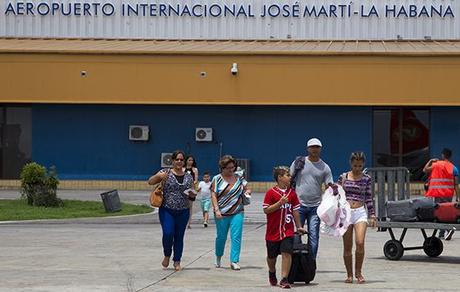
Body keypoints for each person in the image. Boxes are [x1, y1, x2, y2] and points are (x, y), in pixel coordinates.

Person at [148, 150, 195, 271]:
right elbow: (150, 181)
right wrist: (159, 177)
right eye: (177, 159)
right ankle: (167, 254)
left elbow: (191, 193)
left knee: (179, 236)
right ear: (172, 161)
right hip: (167, 209)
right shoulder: (165, 172)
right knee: (168, 233)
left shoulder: (189, 176)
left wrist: (192, 195)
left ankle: (177, 260)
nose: (179, 162)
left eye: (181, 160)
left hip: (183, 210)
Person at [289, 137, 335, 259]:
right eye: (312, 147)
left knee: (313, 236)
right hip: (298, 205)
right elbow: (289, 179)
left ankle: (311, 261)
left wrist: (333, 189)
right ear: (307, 148)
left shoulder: (325, 167)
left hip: (315, 207)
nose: (314, 149)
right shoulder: (299, 162)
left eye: (317, 147)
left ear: (320, 149)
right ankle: (294, 261)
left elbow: (329, 184)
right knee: (296, 235)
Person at [263, 166, 305, 289]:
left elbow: (296, 211)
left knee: (287, 252)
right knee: (271, 257)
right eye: (287, 175)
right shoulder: (271, 193)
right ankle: (272, 272)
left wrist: (299, 226)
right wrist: (279, 203)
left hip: (287, 230)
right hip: (273, 231)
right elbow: (266, 210)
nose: (290, 177)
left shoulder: (292, 194)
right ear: (280, 178)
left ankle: (284, 278)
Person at [337, 152, 376, 284]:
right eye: (355, 165)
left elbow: (369, 197)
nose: (357, 168)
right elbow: (337, 195)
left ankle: (358, 272)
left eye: (360, 166)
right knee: (347, 246)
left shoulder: (367, 178)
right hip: (346, 213)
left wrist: (372, 214)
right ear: (351, 163)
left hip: (360, 212)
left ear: (363, 164)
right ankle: (349, 275)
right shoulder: (343, 177)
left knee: (360, 242)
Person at [211, 155, 251, 270]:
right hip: (221, 213)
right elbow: (213, 194)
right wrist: (216, 209)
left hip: (237, 211)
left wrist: (248, 191)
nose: (231, 170)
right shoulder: (217, 179)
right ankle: (218, 257)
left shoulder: (239, 178)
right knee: (221, 237)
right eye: (228, 168)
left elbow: (246, 188)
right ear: (222, 168)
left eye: (232, 167)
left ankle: (234, 260)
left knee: (236, 237)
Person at [423, 148, 459, 240]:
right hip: (448, 194)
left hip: (438, 193)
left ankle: (442, 232)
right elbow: (456, 184)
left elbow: (425, 170)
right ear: (450, 156)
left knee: (439, 213)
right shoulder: (454, 168)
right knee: (447, 212)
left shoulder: (437, 165)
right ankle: (446, 230)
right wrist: (458, 197)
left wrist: (430, 161)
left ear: (443, 155)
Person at [185, 155, 199, 229]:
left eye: (192, 160)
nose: (190, 162)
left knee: (190, 206)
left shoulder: (195, 169)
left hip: (191, 189)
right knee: (184, 206)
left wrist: (191, 184)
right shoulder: (183, 169)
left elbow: (196, 179)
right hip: (183, 189)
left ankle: (189, 223)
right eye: (189, 160)